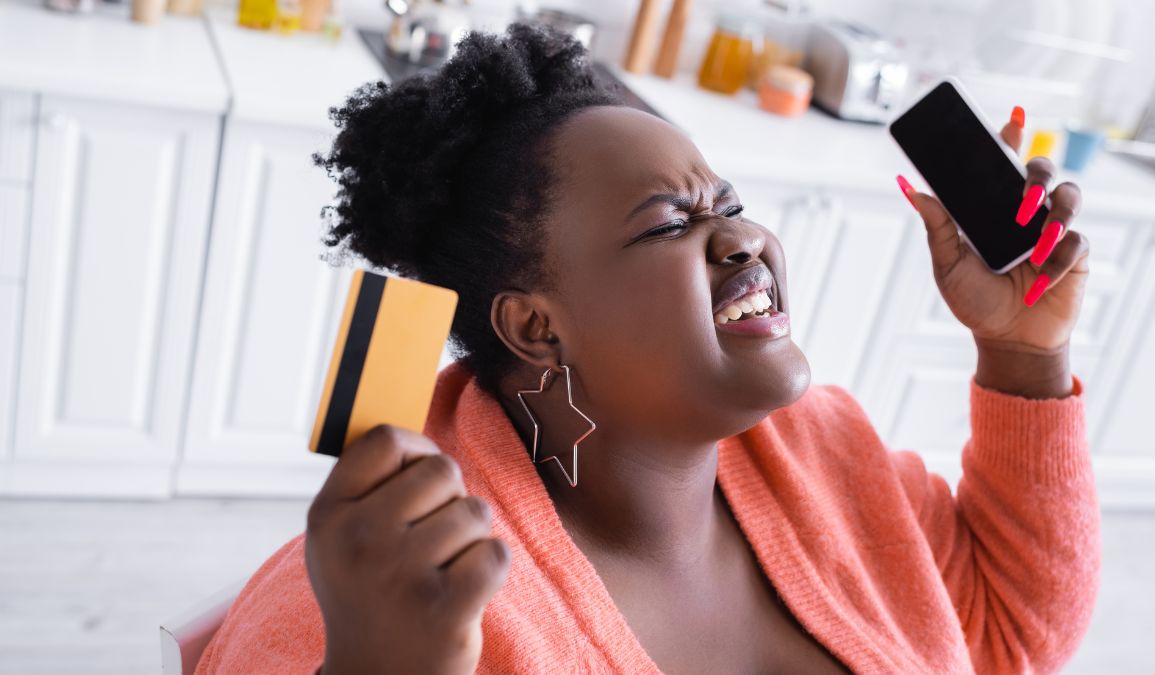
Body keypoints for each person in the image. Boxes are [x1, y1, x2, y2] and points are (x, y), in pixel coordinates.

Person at [196, 22, 1097, 675]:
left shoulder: (825, 453)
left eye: (728, 201)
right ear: (535, 326)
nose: (742, 238)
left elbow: (1008, 635)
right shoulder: (393, 598)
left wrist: (1024, 356)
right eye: (670, 223)